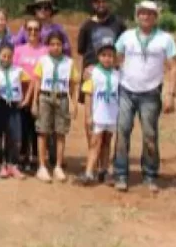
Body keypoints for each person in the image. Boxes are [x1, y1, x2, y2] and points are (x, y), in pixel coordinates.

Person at [113, 0, 176, 193]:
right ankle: (121, 174)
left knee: (150, 135)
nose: (146, 16)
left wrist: (171, 94)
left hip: (151, 93)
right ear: (137, 15)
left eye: (150, 13)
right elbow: (114, 59)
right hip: (126, 90)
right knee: (122, 131)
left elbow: (174, 67)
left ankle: (150, 175)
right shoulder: (126, 36)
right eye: (142, 13)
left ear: (155, 17)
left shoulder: (165, 39)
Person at [76, 0, 126, 150]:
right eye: (98, 2)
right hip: (90, 76)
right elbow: (82, 50)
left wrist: (118, 68)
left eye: (104, 1)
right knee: (89, 118)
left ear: (108, 3)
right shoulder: (87, 25)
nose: (101, 4)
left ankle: (104, 156)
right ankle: (93, 153)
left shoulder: (118, 24)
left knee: (108, 118)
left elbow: (124, 49)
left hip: (111, 77)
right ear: (93, 4)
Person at [33, 30, 79, 183]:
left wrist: (74, 103)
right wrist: (35, 101)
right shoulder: (43, 61)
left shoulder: (69, 62)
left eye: (58, 44)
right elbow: (37, 82)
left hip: (62, 97)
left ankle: (58, 165)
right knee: (43, 132)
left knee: (60, 132)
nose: (55, 47)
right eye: (52, 44)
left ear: (63, 45)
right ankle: (42, 166)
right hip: (45, 97)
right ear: (48, 46)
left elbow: (74, 84)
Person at [77, 40, 121, 186]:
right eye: (104, 55)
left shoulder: (117, 75)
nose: (107, 58)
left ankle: (104, 170)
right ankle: (89, 172)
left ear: (115, 58)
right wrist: (89, 116)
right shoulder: (93, 73)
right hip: (98, 115)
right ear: (98, 56)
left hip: (112, 115)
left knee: (107, 142)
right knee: (95, 143)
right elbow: (88, 95)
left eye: (110, 55)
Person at [0, 42, 30, 179]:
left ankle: (13, 164)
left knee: (15, 136)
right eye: (3, 56)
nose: (6, 59)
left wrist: (25, 99)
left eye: (9, 56)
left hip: (14, 107)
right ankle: (1, 164)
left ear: (13, 56)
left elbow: (29, 83)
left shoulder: (18, 71)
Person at [13, 18, 47, 172]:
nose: (33, 32)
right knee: (23, 126)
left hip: (39, 94)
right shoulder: (19, 50)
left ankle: (35, 157)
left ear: (40, 32)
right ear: (25, 31)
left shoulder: (45, 51)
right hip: (21, 93)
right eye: (30, 29)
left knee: (37, 127)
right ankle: (22, 156)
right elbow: (13, 72)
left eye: (36, 29)